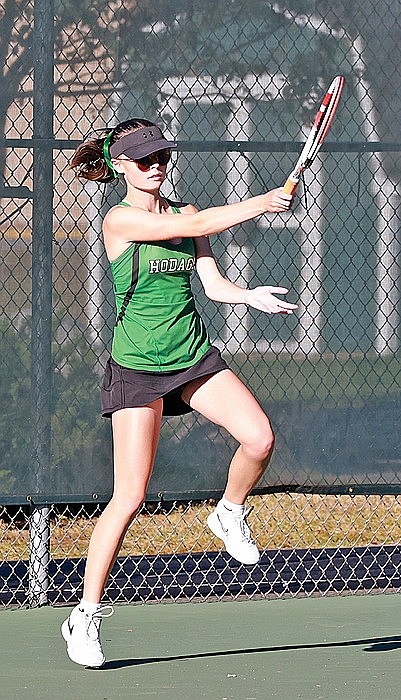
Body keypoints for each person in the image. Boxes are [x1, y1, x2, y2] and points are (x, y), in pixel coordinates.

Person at [63, 119, 298, 668]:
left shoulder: (185, 214)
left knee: (259, 438)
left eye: (162, 156)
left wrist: (249, 297)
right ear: (120, 165)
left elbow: (211, 283)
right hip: (138, 369)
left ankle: (229, 512)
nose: (156, 166)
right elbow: (213, 218)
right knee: (130, 497)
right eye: (144, 159)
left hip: (192, 359)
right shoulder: (119, 220)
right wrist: (260, 202)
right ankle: (86, 616)